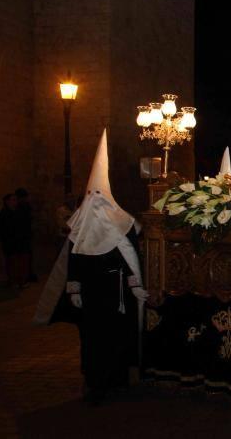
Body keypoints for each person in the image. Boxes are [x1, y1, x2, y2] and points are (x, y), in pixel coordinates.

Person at [34, 130, 148, 405]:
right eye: (92, 196)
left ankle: (118, 378)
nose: (96, 201)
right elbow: (75, 259)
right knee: (94, 340)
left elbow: (131, 255)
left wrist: (136, 284)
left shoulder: (124, 224)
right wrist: (74, 288)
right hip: (93, 296)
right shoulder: (80, 228)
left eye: (101, 195)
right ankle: (95, 381)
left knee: (118, 337)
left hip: (118, 294)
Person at [0, 193, 31, 288]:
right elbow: (0, 229)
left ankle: (22, 281)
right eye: (13, 199)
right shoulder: (3, 214)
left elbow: (26, 226)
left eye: (16, 199)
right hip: (10, 243)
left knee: (22, 263)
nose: (15, 202)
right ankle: (13, 281)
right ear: (7, 201)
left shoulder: (20, 212)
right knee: (12, 263)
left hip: (22, 242)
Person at [15, 187, 37, 282]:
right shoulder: (21, 207)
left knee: (26, 256)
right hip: (22, 235)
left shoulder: (24, 206)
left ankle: (26, 274)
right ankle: (24, 275)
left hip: (25, 234)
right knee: (23, 257)